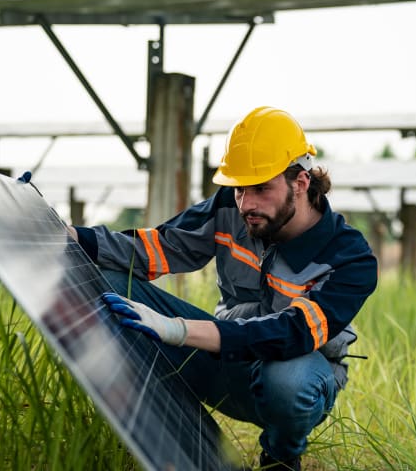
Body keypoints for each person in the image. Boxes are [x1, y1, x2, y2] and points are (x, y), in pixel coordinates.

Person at [69, 106, 378, 470]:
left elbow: (291, 333)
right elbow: (157, 249)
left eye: (261, 188)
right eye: (240, 189)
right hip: (223, 361)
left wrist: (177, 329)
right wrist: (71, 238)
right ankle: (178, 436)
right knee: (108, 283)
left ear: (301, 182)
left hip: (290, 380)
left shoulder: (350, 259)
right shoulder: (228, 208)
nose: (246, 203)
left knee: (291, 379)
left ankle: (280, 458)